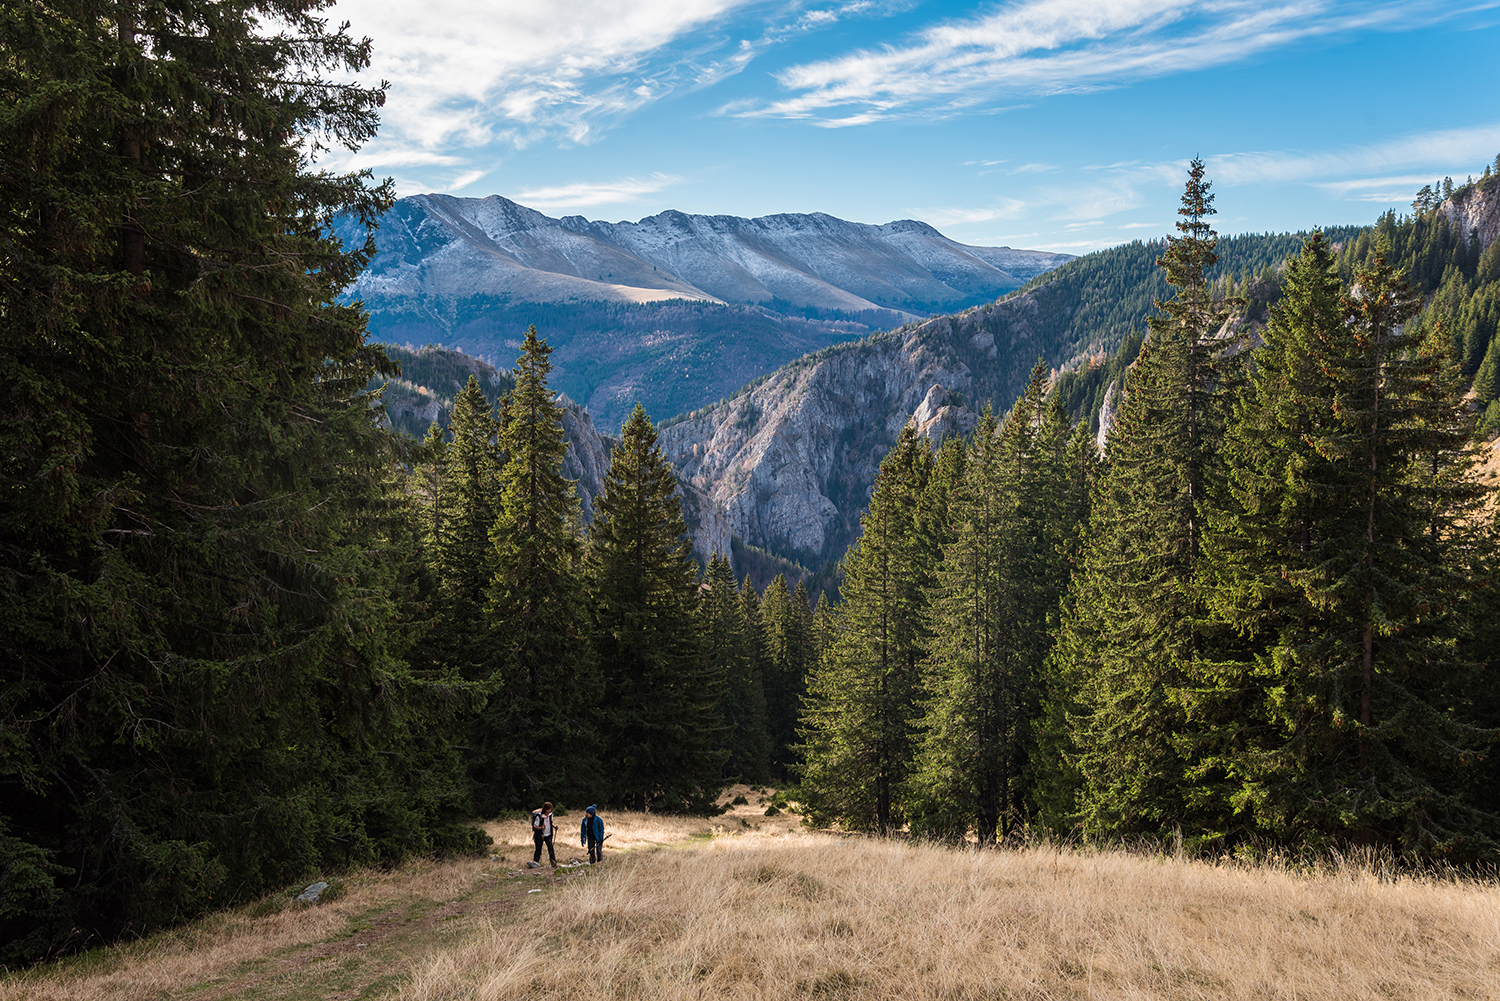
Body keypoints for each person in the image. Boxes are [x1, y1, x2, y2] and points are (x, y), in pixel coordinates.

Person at [531, 801, 557, 866]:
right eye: (549, 810)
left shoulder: (550, 815)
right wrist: (541, 827)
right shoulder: (539, 816)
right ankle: (535, 863)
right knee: (538, 849)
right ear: (546, 809)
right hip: (540, 835)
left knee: (551, 848)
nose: (550, 811)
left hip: (548, 834)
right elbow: (535, 826)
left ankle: (553, 863)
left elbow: (550, 822)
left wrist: (554, 826)